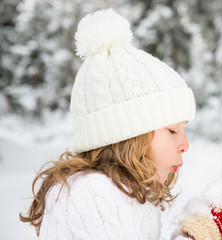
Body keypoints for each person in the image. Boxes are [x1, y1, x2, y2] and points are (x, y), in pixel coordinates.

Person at [19, 8, 196, 239]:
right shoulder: (93, 194)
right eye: (172, 130)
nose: (185, 144)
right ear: (129, 135)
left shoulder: (132, 195)